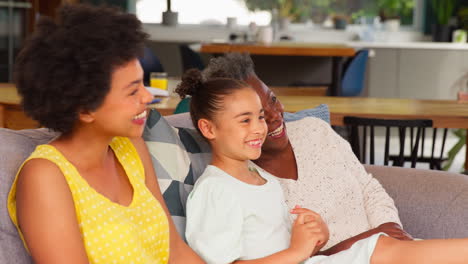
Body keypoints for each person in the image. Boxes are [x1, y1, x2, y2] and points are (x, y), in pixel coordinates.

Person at [179, 68, 468, 264]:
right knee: (383, 250)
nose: (260, 128)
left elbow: (275, 241)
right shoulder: (215, 190)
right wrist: (297, 250)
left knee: (382, 248)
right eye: (245, 120)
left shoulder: (258, 177)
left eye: (260, 117)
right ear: (208, 128)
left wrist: (316, 234)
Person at [7, 5, 203, 264]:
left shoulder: (131, 145)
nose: (147, 97)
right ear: (86, 108)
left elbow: (174, 251)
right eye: (133, 91)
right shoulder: (45, 176)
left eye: (142, 84)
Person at [201, 53, 411, 254]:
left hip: (390, 247)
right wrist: (364, 243)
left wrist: (390, 228)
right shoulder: (247, 183)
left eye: (272, 100)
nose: (275, 116)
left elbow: (368, 187)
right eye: (252, 117)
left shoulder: (315, 130)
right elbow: (287, 255)